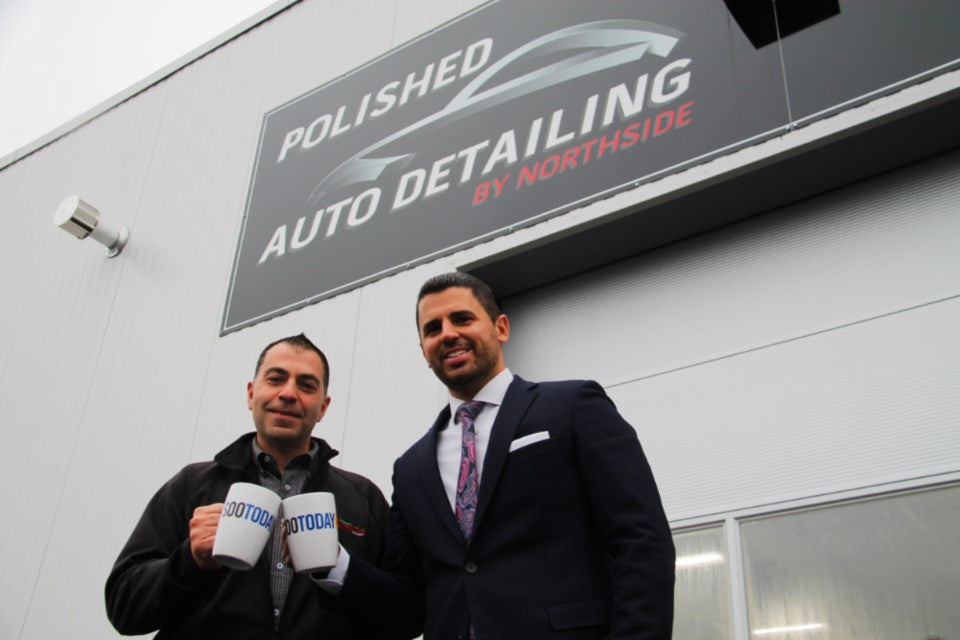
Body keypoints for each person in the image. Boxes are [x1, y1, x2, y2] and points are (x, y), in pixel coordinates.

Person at [319, 273, 675, 639]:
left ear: (500, 327)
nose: (448, 334)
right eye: (432, 328)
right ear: (424, 352)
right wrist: (334, 565)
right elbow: (410, 603)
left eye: (462, 318)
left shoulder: (573, 407)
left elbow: (641, 541)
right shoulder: (410, 470)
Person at [105, 334, 393, 639]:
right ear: (251, 393)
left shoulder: (364, 500)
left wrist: (343, 572)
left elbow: (408, 615)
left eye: (307, 385)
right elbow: (124, 607)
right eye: (276, 378)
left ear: (323, 407)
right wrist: (190, 561)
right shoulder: (192, 485)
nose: (288, 393)